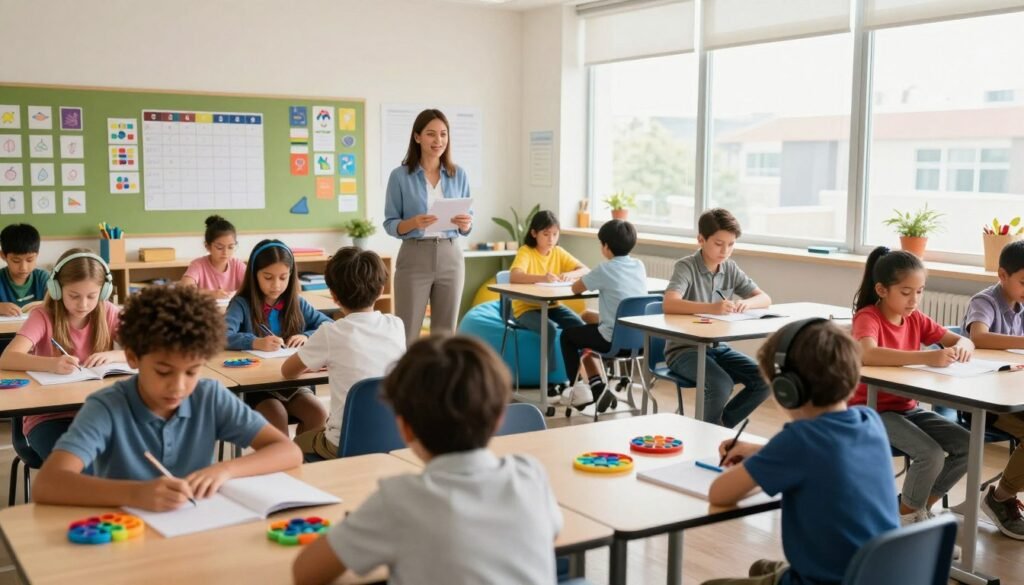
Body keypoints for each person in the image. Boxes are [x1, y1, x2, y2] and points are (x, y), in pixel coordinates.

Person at [292, 335, 562, 585]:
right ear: (499, 419)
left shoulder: (398, 500)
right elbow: (551, 534)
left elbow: (305, 574)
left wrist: (357, 526)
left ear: (404, 428)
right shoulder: (530, 475)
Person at [33, 285, 302, 511]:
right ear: (133, 357)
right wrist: (135, 494)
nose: (178, 386)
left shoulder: (209, 396)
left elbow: (288, 451)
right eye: (163, 371)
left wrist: (225, 470)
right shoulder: (107, 407)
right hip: (124, 536)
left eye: (192, 371)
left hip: (192, 529)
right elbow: (48, 483)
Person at [703, 319, 898, 585]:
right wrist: (759, 452)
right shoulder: (870, 421)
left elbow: (720, 493)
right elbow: (824, 455)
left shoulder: (799, 441)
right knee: (762, 566)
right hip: (872, 575)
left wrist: (764, 466)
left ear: (787, 390)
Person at [850, 246, 971, 531]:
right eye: (906, 292)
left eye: (920, 291)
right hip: (871, 410)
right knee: (930, 455)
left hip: (907, 408)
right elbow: (868, 354)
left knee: (967, 445)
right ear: (881, 289)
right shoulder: (868, 317)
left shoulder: (916, 318)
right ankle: (906, 520)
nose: (914, 300)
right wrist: (927, 356)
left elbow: (958, 340)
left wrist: (965, 345)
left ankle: (913, 509)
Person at [0, 249, 124, 461]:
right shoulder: (43, 316)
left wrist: (114, 355)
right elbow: (8, 358)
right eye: (74, 296)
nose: (83, 304)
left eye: (92, 296)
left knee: (126, 457)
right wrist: (52, 364)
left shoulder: (108, 311)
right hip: (48, 418)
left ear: (103, 292)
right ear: (56, 289)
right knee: (76, 465)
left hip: (97, 411)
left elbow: (145, 351)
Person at [284, 247, 405, 460]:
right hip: (395, 438)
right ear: (381, 290)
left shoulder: (331, 332)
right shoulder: (396, 325)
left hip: (343, 443)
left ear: (334, 296)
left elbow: (288, 372)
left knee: (296, 445)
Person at [662, 208, 772, 428]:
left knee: (764, 379)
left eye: (731, 244)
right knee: (720, 384)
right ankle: (706, 435)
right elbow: (669, 303)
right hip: (684, 350)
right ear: (701, 239)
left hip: (716, 348)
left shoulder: (730, 268)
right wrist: (712, 308)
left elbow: (765, 298)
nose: (725, 251)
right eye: (719, 243)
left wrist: (746, 303)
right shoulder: (686, 267)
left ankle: (717, 429)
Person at [383, 109, 472, 344]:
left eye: (443, 134)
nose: (438, 140)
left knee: (445, 335)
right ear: (417, 137)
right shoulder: (399, 176)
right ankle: (407, 381)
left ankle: (441, 382)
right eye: (431, 134)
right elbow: (390, 224)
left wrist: (465, 223)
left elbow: (468, 219)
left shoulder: (458, 174)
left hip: (451, 255)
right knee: (407, 332)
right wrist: (413, 223)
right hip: (414, 255)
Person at [225, 239, 330, 435]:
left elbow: (329, 326)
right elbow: (222, 335)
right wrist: (255, 342)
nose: (276, 285)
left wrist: (306, 336)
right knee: (277, 414)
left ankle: (299, 462)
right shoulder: (241, 304)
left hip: (291, 382)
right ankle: (279, 462)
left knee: (318, 414)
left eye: (283, 277)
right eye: (268, 277)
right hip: (256, 387)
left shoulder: (297, 302)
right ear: (254, 275)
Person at [963, 239, 1024, 539]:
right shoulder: (984, 301)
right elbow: (980, 338)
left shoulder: (1022, 304)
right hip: (983, 401)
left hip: (1013, 393)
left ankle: (1005, 495)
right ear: (1002, 275)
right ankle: (999, 498)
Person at [560, 219, 646, 411]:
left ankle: (578, 389)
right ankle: (599, 387)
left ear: (606, 246)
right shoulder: (639, 266)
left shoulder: (604, 268)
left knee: (568, 336)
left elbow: (575, 289)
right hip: (639, 342)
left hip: (612, 341)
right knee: (586, 316)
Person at [509, 210, 589, 379]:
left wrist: (571, 275)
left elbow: (585, 269)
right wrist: (542, 277)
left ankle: (579, 376)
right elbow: (514, 276)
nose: (551, 239)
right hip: (525, 309)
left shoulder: (558, 252)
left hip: (552, 306)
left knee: (580, 326)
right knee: (550, 329)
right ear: (534, 233)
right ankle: (551, 379)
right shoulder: (526, 251)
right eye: (546, 234)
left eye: (555, 234)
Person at [180, 214, 246, 299]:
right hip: (206, 311)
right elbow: (185, 288)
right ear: (207, 247)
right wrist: (210, 293)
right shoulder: (198, 265)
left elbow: (253, 286)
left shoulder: (237, 265)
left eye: (231, 247)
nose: (225, 252)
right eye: (219, 247)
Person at [0, 223, 49, 315]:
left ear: (37, 255)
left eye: (30, 260)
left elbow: (59, 303)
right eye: (16, 261)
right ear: (3, 256)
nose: (23, 267)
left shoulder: (43, 278)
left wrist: (45, 305)